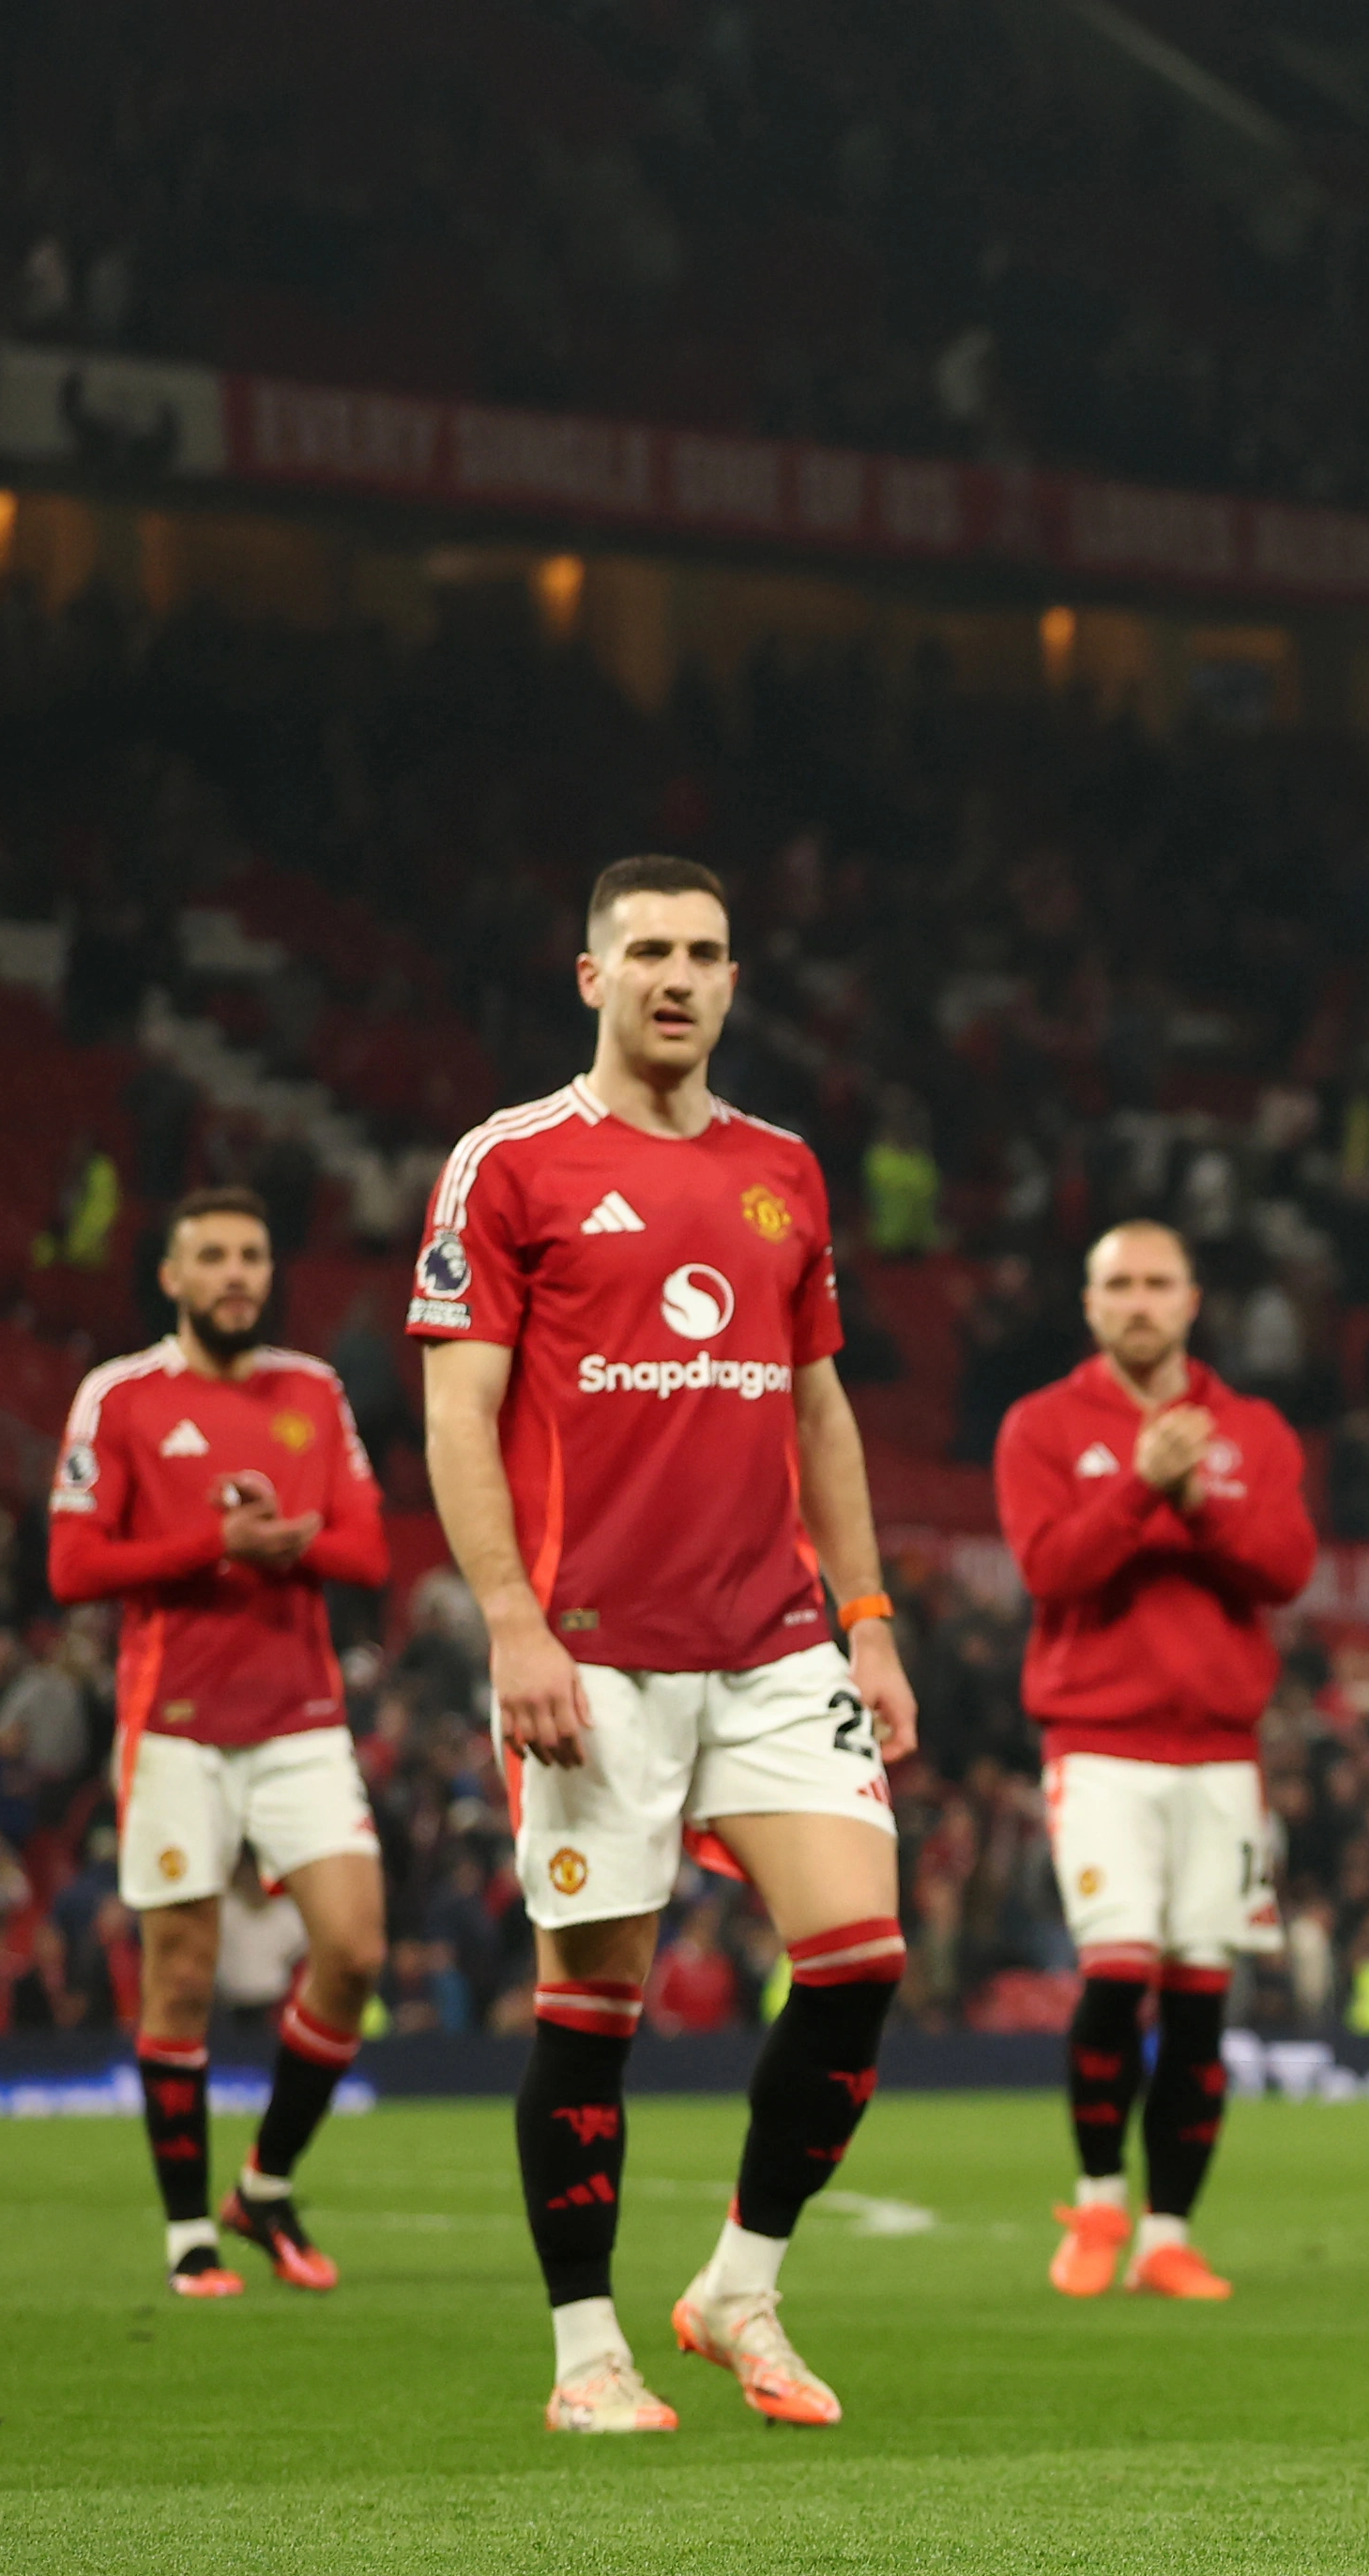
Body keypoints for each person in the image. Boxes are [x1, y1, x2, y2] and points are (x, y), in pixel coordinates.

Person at [411, 855, 919, 2435]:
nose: (676, 976)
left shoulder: (785, 1168)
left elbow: (819, 1409)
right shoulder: (511, 1165)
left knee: (858, 1956)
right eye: (646, 951)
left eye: (702, 951)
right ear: (591, 977)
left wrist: (871, 1617)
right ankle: (585, 2356)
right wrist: (510, 1622)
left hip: (770, 1638)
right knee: (597, 1996)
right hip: (593, 1649)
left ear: (732, 979)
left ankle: (736, 2289)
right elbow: (456, 1410)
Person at [45, 1185, 388, 2295]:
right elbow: (72, 1568)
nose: (237, 1272)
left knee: (354, 1951)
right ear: (173, 1275)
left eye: (252, 1253)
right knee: (180, 1974)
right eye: (214, 1256)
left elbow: (371, 1550)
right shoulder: (121, 1396)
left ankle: (267, 2183)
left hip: (300, 1718)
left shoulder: (314, 1388)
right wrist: (211, 1543)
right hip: (177, 1725)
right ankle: (189, 2228)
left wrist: (292, 1547)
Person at [993, 1220, 1316, 2302]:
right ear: (1089, 1305)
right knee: (1117, 1967)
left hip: (1222, 1756)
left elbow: (1283, 1567)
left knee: (1197, 1997)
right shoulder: (1043, 1425)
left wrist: (1194, 1496)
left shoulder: (1252, 1428)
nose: (1137, 1301)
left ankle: (1167, 2233)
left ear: (1192, 1299)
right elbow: (1048, 1569)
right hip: (1098, 1743)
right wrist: (1138, 1486)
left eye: (1156, 1283)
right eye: (1117, 1284)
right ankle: (1095, 2204)